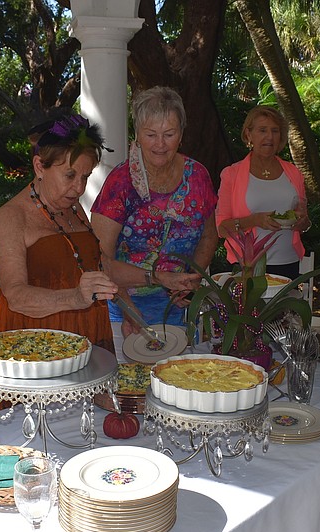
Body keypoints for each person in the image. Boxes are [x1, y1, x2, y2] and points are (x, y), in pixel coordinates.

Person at [91, 86, 218, 359]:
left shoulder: (198, 176)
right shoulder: (121, 182)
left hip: (180, 308)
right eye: (151, 134)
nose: (160, 144)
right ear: (137, 134)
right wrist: (127, 308)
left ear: (181, 135)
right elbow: (99, 258)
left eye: (169, 134)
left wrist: (191, 281)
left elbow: (209, 236)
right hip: (124, 310)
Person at [0, 114, 117, 351]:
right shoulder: (9, 217)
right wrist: (76, 298)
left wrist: (155, 278)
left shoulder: (73, 207)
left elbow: (101, 265)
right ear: (40, 167)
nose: (79, 188)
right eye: (70, 175)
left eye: (85, 177)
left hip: (84, 331)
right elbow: (15, 295)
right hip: (34, 342)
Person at [216, 105, 311, 280]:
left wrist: (302, 222)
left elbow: (303, 220)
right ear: (248, 134)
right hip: (248, 265)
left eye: (275, 131)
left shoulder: (294, 173)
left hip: (288, 262)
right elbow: (222, 229)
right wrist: (253, 220)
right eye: (262, 130)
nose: (269, 137)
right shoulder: (232, 174)